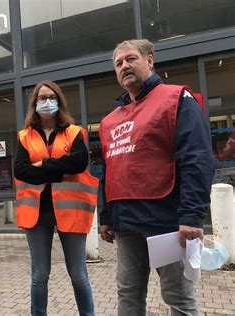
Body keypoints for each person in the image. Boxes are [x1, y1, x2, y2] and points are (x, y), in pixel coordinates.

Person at [98, 39, 214, 315]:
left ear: (149, 60)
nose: (124, 66)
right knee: (127, 294)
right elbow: (111, 170)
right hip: (126, 225)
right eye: (118, 63)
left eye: (130, 59)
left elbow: (197, 159)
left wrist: (191, 216)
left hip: (167, 223)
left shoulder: (176, 100)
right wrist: (106, 217)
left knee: (179, 299)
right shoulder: (109, 121)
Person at [14, 80, 99, 316]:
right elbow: (21, 170)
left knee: (78, 274)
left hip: (70, 212)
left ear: (59, 101)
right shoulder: (24, 136)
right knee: (39, 275)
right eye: (42, 98)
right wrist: (62, 167)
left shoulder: (74, 132)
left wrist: (44, 164)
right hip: (37, 213)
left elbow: (80, 162)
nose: (47, 101)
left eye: (51, 97)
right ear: (35, 103)